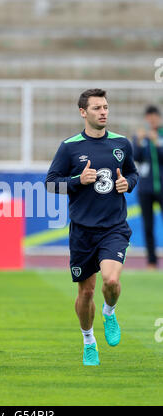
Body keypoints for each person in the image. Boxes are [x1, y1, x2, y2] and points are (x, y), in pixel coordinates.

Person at [45, 88, 138, 366]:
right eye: (97, 108)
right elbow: (51, 182)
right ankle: (88, 341)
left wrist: (128, 184)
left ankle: (109, 311)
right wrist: (77, 180)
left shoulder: (122, 144)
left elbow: (132, 173)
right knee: (85, 292)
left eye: (106, 107)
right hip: (83, 231)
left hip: (114, 228)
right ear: (83, 112)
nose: (103, 112)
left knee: (111, 281)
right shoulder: (70, 147)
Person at [132, 105, 163, 269]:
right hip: (145, 189)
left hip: (162, 187)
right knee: (148, 226)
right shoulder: (139, 136)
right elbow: (134, 157)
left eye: (154, 116)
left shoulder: (161, 135)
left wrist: (156, 142)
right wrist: (138, 141)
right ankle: (152, 261)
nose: (152, 120)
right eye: (149, 117)